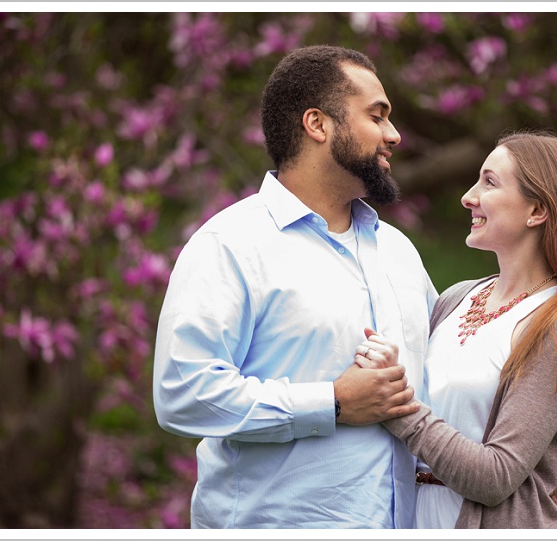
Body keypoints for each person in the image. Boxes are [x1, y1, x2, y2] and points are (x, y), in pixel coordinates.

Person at [152, 45, 438, 529]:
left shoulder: (399, 253)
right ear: (318, 124)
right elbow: (183, 391)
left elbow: (436, 385)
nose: (394, 134)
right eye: (377, 115)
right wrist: (330, 403)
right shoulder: (230, 245)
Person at [354, 130, 557, 528]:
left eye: (489, 182)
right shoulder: (456, 299)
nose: (468, 196)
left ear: (537, 211)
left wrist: (397, 407)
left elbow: (495, 477)